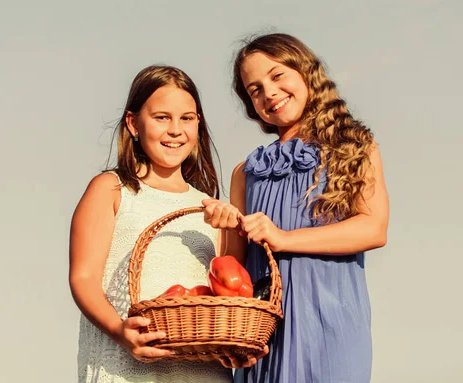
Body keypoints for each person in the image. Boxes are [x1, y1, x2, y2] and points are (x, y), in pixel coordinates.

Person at [202, 33, 389, 383]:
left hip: (330, 321)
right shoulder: (246, 172)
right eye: (254, 89)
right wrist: (226, 223)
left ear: (305, 72)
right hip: (263, 333)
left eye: (276, 76)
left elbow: (373, 228)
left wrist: (283, 238)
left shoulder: (353, 146)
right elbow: (234, 265)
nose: (268, 93)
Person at [69, 65, 254, 382]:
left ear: (198, 124)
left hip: (200, 373)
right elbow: (84, 278)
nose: (175, 130)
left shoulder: (208, 206)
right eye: (161, 118)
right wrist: (120, 332)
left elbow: (230, 292)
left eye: (186, 118)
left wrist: (231, 228)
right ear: (133, 123)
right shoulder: (112, 190)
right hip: (126, 366)